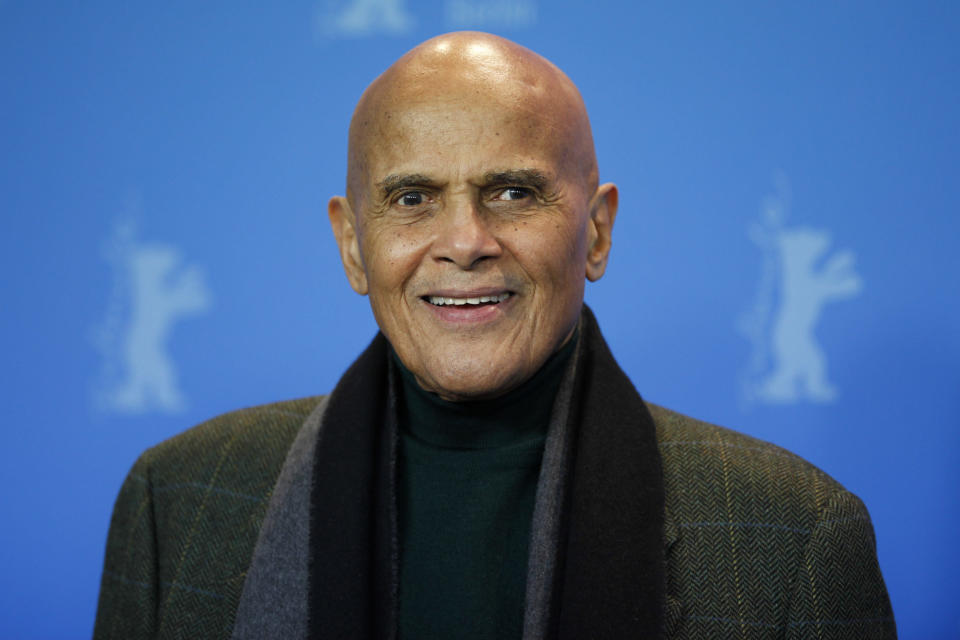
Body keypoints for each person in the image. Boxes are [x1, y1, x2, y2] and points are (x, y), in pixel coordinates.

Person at [93, 32, 895, 640]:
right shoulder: (178, 502)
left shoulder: (794, 539)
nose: (466, 240)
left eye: (512, 191)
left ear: (598, 232)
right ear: (351, 247)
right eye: (411, 199)